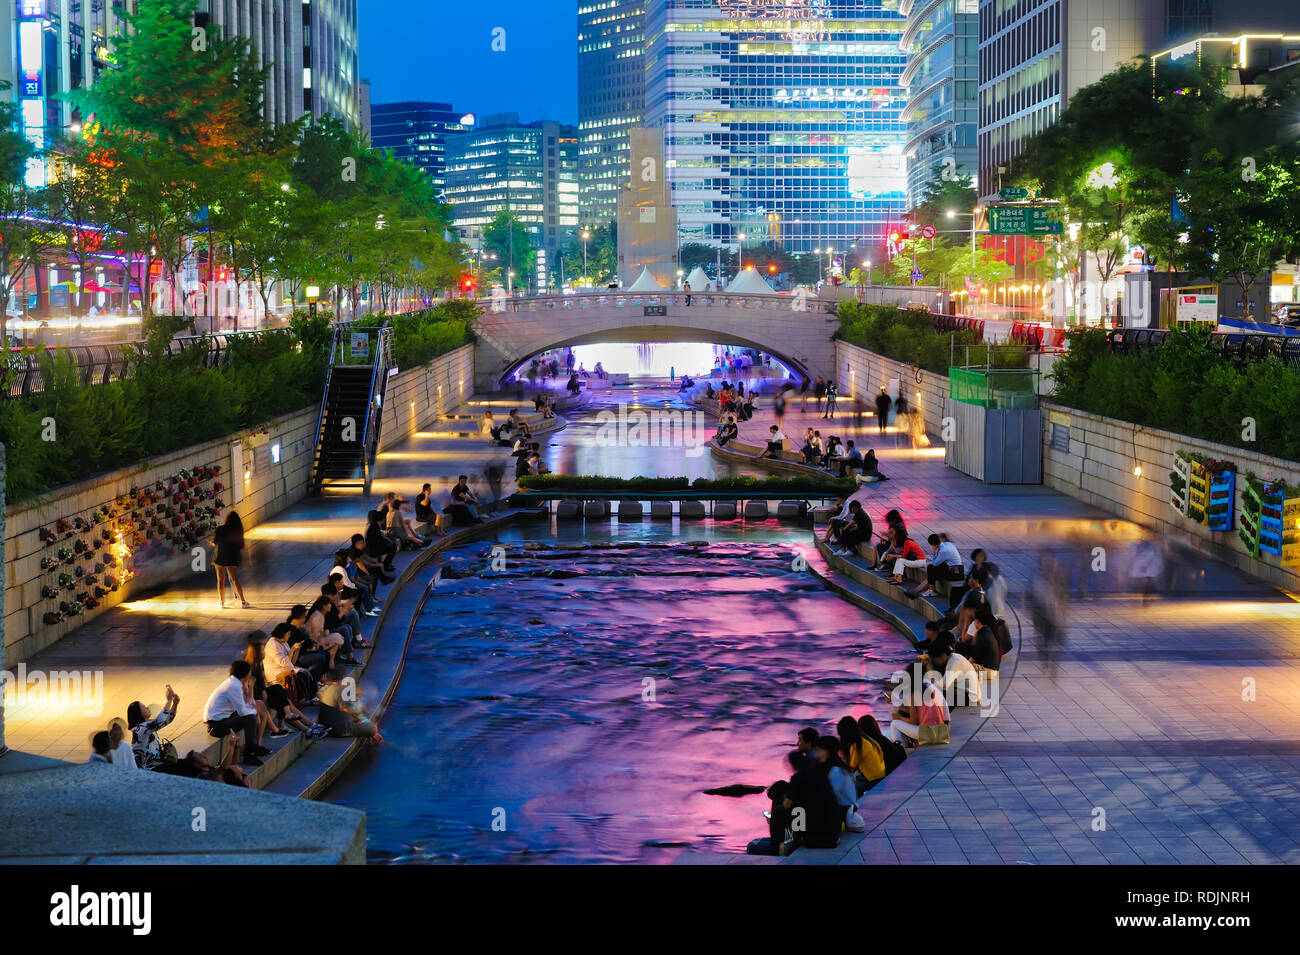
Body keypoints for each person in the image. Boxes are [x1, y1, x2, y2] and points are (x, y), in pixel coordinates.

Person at [201, 660, 270, 766]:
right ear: (246, 673)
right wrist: (255, 710)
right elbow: (243, 712)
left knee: (252, 713)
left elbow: (244, 704)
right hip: (216, 726)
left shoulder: (235, 683)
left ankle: (255, 747)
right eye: (249, 672)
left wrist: (249, 689)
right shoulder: (234, 686)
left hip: (222, 719)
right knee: (250, 718)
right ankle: (249, 754)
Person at [813, 736, 864, 831]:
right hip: (839, 809)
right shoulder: (837, 766)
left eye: (820, 751)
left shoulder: (836, 771)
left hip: (841, 811)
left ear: (830, 751)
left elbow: (828, 795)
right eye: (816, 751)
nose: (817, 755)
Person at [317, 669, 384, 742]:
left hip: (328, 722)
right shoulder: (341, 691)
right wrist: (367, 725)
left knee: (363, 719)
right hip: (339, 729)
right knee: (373, 729)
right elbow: (353, 711)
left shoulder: (327, 689)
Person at [888, 671, 950, 747]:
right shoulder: (930, 688)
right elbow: (919, 711)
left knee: (894, 723)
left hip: (928, 733)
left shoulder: (913, 694)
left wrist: (899, 718)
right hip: (942, 731)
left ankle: (901, 750)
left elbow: (913, 720)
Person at [127, 686, 180, 770]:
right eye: (144, 707)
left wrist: (175, 704)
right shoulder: (140, 729)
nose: (147, 707)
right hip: (150, 770)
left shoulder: (147, 726)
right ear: (138, 714)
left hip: (158, 765)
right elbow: (159, 720)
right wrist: (169, 701)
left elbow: (167, 720)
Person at [906, 533, 967, 598]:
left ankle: (931, 591)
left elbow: (935, 563)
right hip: (955, 570)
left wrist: (934, 551)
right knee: (931, 571)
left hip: (955, 573)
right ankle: (915, 592)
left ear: (932, 544)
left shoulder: (943, 551)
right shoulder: (948, 544)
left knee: (931, 568)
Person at [211, 511, 250, 609]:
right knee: (235, 580)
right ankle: (243, 601)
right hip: (232, 557)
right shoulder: (238, 531)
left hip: (220, 557)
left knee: (220, 580)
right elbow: (241, 546)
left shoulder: (220, 529)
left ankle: (221, 602)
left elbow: (215, 542)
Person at [837, 716, 885, 795]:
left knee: (846, 788)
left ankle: (855, 805)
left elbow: (851, 768)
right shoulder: (866, 739)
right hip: (880, 775)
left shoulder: (857, 746)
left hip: (873, 780)